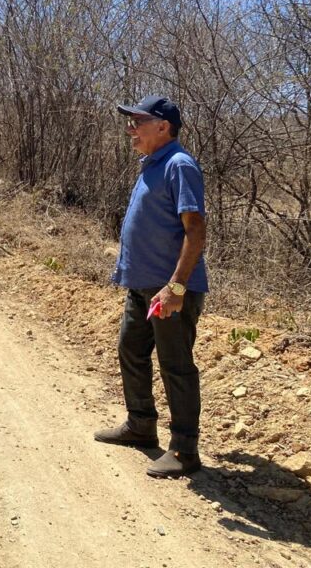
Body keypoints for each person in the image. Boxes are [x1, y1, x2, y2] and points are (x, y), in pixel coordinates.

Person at [94, 95, 208, 478]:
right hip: (143, 286)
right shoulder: (152, 165)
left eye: (137, 122)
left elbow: (196, 231)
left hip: (170, 290)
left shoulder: (179, 164)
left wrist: (176, 287)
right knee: (130, 349)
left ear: (163, 126)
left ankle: (184, 450)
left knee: (175, 365)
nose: (130, 129)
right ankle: (141, 426)